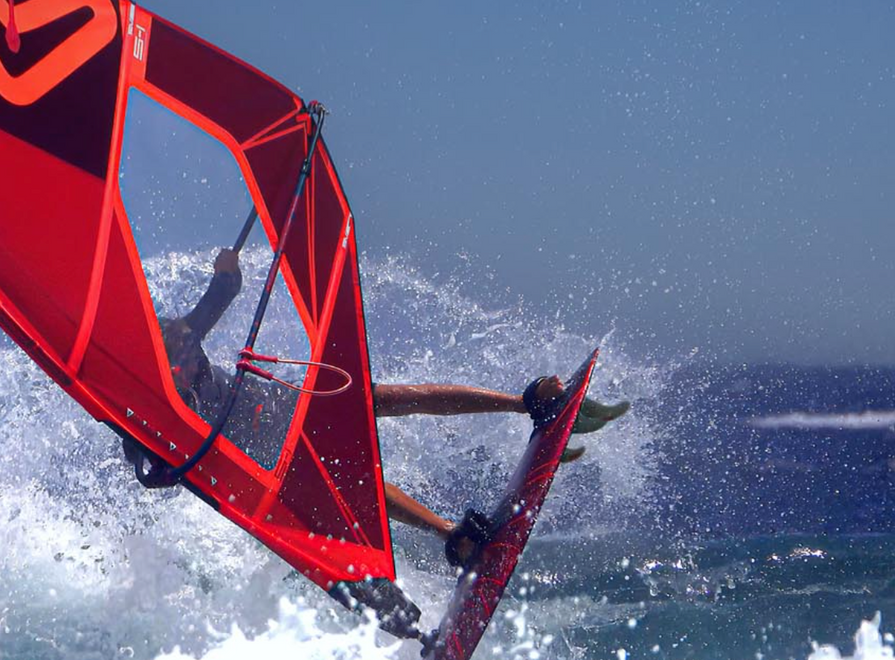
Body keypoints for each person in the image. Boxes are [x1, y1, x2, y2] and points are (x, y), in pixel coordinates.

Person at [120, 247, 629, 577]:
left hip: (271, 404)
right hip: (259, 455)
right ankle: (453, 536)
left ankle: (524, 403)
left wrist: (226, 269)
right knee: (351, 476)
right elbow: (155, 473)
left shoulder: (173, 336)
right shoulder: (130, 405)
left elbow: (222, 294)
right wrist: (162, 464)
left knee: (379, 399)